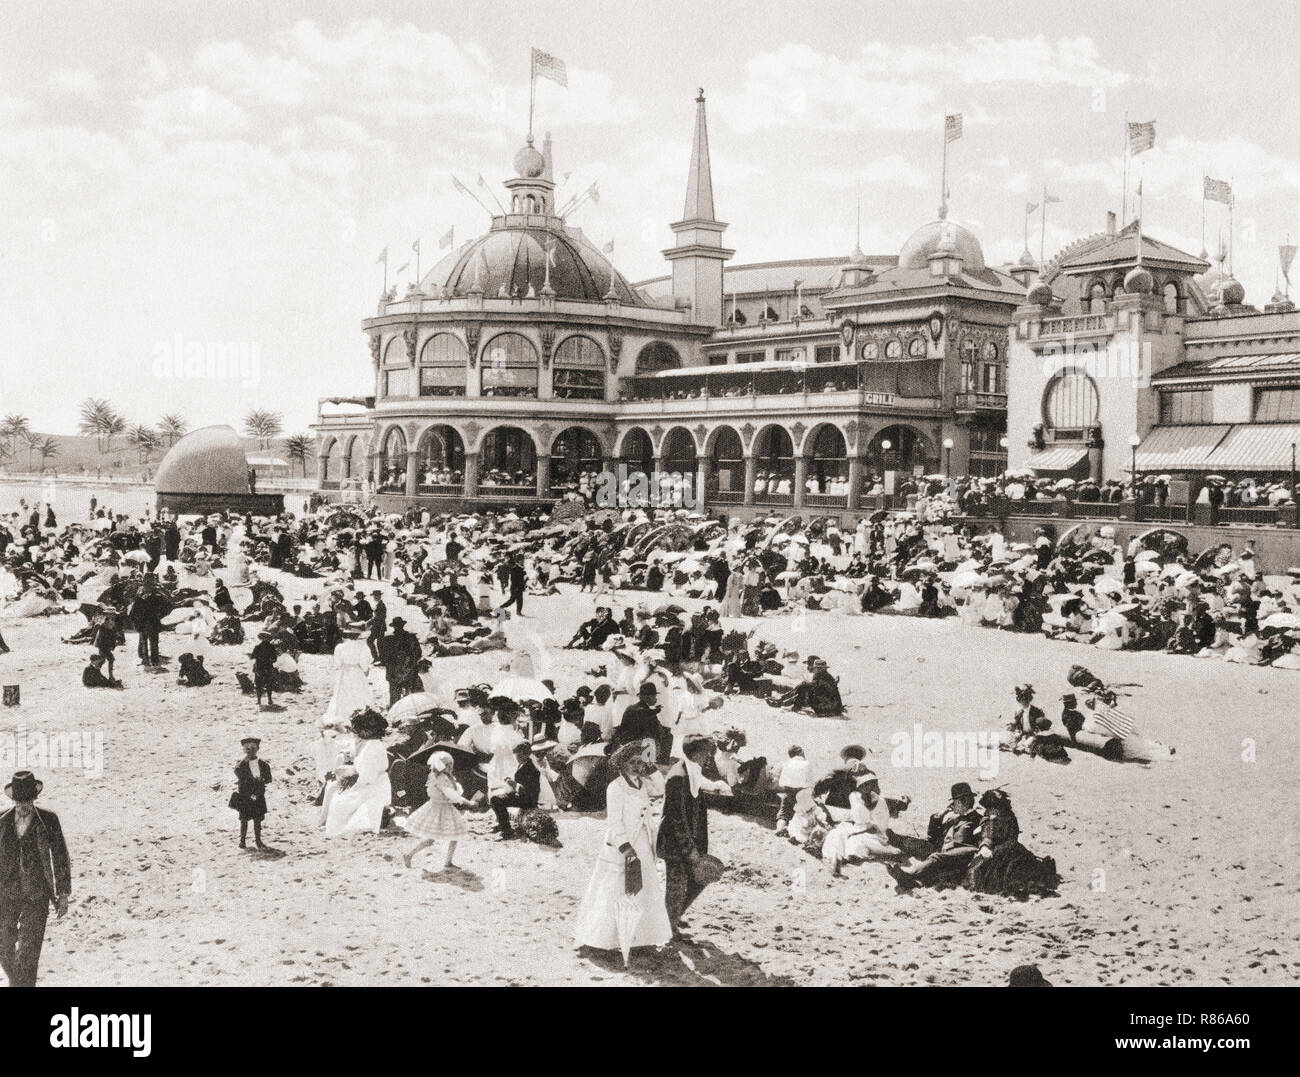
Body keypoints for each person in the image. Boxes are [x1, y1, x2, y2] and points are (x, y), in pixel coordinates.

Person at [572, 742, 673, 956]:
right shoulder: (616, 787)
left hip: (643, 842)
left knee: (642, 889)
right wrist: (625, 847)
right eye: (632, 762)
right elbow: (614, 822)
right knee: (615, 890)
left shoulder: (642, 784)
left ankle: (640, 938)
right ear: (622, 765)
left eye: (640, 762)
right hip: (623, 845)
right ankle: (600, 938)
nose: (637, 766)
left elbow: (661, 787)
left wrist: (651, 766)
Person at [0, 771, 72, 987]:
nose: (24, 806)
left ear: (34, 799)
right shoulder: (2, 821)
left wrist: (63, 894)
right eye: (20, 801)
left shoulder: (48, 820)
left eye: (28, 801)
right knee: (4, 948)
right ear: (13, 800)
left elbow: (60, 856)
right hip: (6, 895)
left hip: (37, 895)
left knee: (29, 953)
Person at [657, 734, 718, 936]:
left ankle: (672, 917)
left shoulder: (690, 772)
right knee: (677, 885)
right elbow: (677, 819)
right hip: (675, 844)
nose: (709, 757)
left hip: (686, 843)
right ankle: (668, 926)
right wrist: (690, 850)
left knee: (696, 879)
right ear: (698, 753)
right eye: (707, 753)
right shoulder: (679, 776)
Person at [887, 781, 982, 890]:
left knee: (936, 858)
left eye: (954, 802)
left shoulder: (976, 819)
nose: (952, 806)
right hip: (939, 850)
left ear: (964, 801)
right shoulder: (952, 819)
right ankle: (891, 838)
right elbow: (932, 837)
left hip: (956, 857)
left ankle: (910, 875)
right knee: (914, 842)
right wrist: (939, 816)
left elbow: (976, 844)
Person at [322, 709, 392, 837]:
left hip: (373, 788)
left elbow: (367, 777)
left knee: (340, 803)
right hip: (374, 784)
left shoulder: (371, 748)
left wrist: (351, 777)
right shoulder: (371, 745)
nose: (356, 733)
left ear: (366, 731)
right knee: (338, 797)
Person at [401, 751, 470, 873]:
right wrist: (467, 802)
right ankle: (409, 854)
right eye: (449, 765)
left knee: (453, 835)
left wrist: (453, 781)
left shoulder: (441, 777)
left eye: (451, 765)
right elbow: (452, 795)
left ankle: (447, 861)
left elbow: (453, 791)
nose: (451, 767)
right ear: (444, 766)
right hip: (439, 808)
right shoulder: (441, 778)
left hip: (441, 807)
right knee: (433, 838)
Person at [489, 742, 540, 839]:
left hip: (528, 800)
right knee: (495, 797)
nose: (517, 757)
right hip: (523, 796)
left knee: (496, 800)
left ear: (526, 754)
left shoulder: (531, 769)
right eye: (517, 754)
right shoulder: (524, 764)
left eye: (519, 754)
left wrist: (513, 784)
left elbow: (527, 791)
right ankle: (503, 824)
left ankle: (506, 831)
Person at [230, 737, 272, 850]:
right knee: (244, 820)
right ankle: (242, 841)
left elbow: (269, 779)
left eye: (253, 748)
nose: (250, 750)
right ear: (244, 750)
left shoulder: (263, 764)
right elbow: (239, 775)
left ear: (257, 749)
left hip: (258, 794)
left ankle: (258, 840)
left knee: (257, 820)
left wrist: (261, 780)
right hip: (245, 795)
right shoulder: (241, 764)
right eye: (247, 748)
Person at [377, 617, 422, 705]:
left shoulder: (387, 639)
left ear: (394, 627)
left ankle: (395, 714)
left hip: (394, 674)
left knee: (395, 699)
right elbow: (418, 654)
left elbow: (383, 658)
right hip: (410, 671)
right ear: (403, 625)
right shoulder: (411, 637)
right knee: (416, 697)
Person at [129, 576, 169, 667]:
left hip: (149, 621)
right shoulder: (155, 594)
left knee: (148, 642)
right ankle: (149, 660)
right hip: (148, 622)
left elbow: (166, 607)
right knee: (149, 642)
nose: (147, 586)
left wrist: (159, 615)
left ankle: (149, 660)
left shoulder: (155, 595)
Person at [251, 631, 278, 708]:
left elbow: (252, 657)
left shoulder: (257, 647)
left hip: (259, 668)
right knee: (269, 684)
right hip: (268, 668)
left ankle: (259, 700)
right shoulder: (272, 647)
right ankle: (269, 699)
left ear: (261, 639)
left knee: (258, 684)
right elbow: (274, 659)